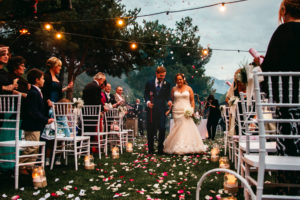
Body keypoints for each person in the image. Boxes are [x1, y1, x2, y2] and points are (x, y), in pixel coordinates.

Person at [253, 0, 300, 156]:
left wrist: (261, 63)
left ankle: (286, 174)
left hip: (288, 111)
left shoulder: (283, 32)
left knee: (284, 107)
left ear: (284, 10)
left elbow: (268, 73)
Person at [20, 68, 54, 174]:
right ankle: (19, 165)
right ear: (36, 80)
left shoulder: (38, 92)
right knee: (31, 147)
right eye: (42, 78)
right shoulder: (33, 93)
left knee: (35, 147)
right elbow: (33, 111)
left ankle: (29, 167)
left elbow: (39, 108)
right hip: (31, 124)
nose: (44, 80)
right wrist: (45, 120)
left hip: (36, 124)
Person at [41, 57, 73, 166]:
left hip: (58, 108)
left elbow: (58, 91)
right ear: (54, 66)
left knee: (61, 132)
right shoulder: (46, 77)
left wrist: (66, 88)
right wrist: (47, 101)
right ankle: (47, 157)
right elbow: (43, 91)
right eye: (59, 66)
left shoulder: (57, 77)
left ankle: (58, 156)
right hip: (48, 107)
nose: (60, 68)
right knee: (50, 133)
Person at [164, 73, 206, 154]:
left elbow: (192, 101)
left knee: (186, 127)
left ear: (183, 80)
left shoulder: (189, 88)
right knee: (178, 128)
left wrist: (192, 110)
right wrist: (169, 109)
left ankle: (187, 146)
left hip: (186, 111)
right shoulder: (173, 89)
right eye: (177, 79)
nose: (179, 81)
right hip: (176, 111)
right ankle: (177, 146)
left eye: (180, 79)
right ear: (175, 80)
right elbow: (171, 100)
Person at [144, 66, 172, 154]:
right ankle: (151, 150)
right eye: (161, 76)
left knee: (162, 129)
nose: (162, 78)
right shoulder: (149, 83)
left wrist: (169, 101)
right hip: (151, 111)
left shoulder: (167, 83)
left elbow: (168, 96)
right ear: (156, 74)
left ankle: (160, 150)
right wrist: (148, 102)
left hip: (162, 110)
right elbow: (146, 94)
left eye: (164, 76)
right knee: (151, 130)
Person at [0, 45, 19, 172]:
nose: (6, 56)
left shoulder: (5, 73)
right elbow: (5, 88)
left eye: (7, 54)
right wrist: (10, 87)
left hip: (4, 109)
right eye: (3, 54)